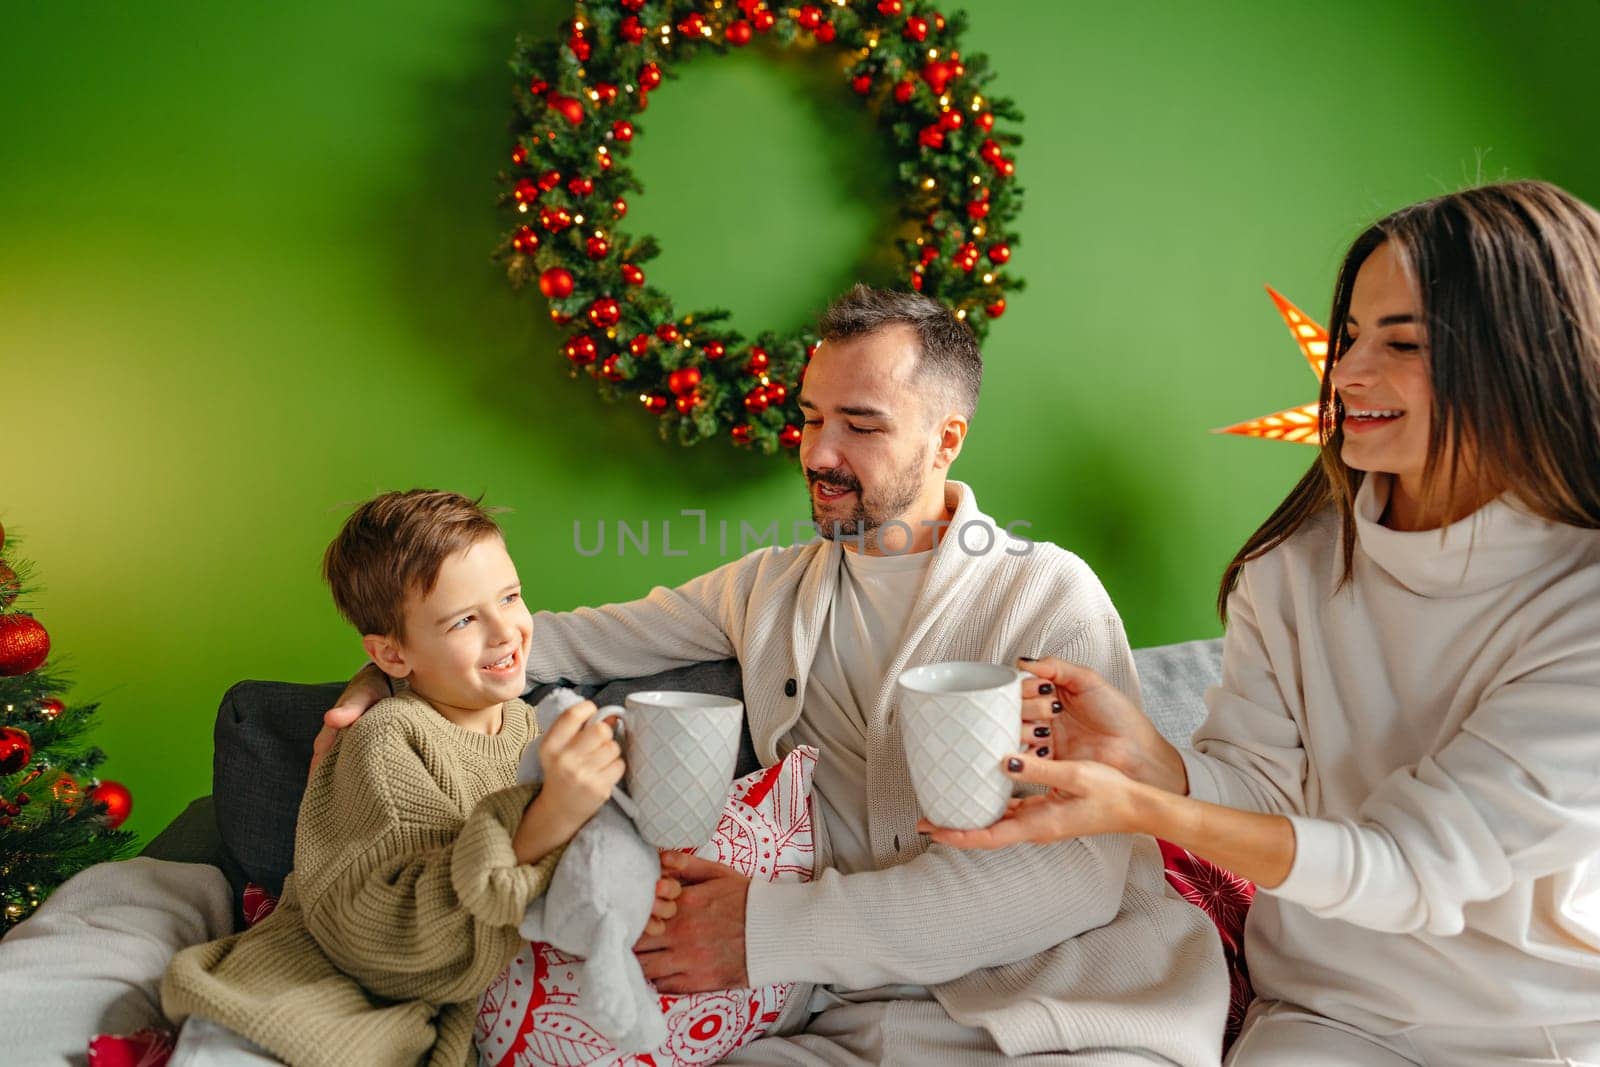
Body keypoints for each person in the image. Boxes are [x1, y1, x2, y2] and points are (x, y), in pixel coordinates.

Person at [324, 286, 1230, 1065]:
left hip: (1069, 1007)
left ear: (947, 436)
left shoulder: (1044, 598)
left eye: (861, 425)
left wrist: (766, 930)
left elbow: (1073, 877)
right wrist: (386, 675)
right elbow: (549, 642)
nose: (818, 453)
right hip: (846, 1018)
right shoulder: (764, 590)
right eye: (809, 417)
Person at [923, 181, 1600, 1065]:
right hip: (1326, 1013)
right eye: (1351, 334)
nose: (1348, 372)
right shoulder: (1297, 564)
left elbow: (1411, 867)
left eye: (1402, 343)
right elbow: (1267, 786)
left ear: (1522, 363)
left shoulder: (1579, 605)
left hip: (1540, 1030)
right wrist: (1152, 760)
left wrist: (1144, 806)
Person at [159, 490, 676, 1066]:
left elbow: (567, 874)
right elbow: (378, 930)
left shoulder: (529, 725)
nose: (506, 632)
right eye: (464, 620)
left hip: (448, 1003)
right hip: (310, 994)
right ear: (392, 655)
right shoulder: (388, 740)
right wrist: (549, 817)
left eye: (511, 596)